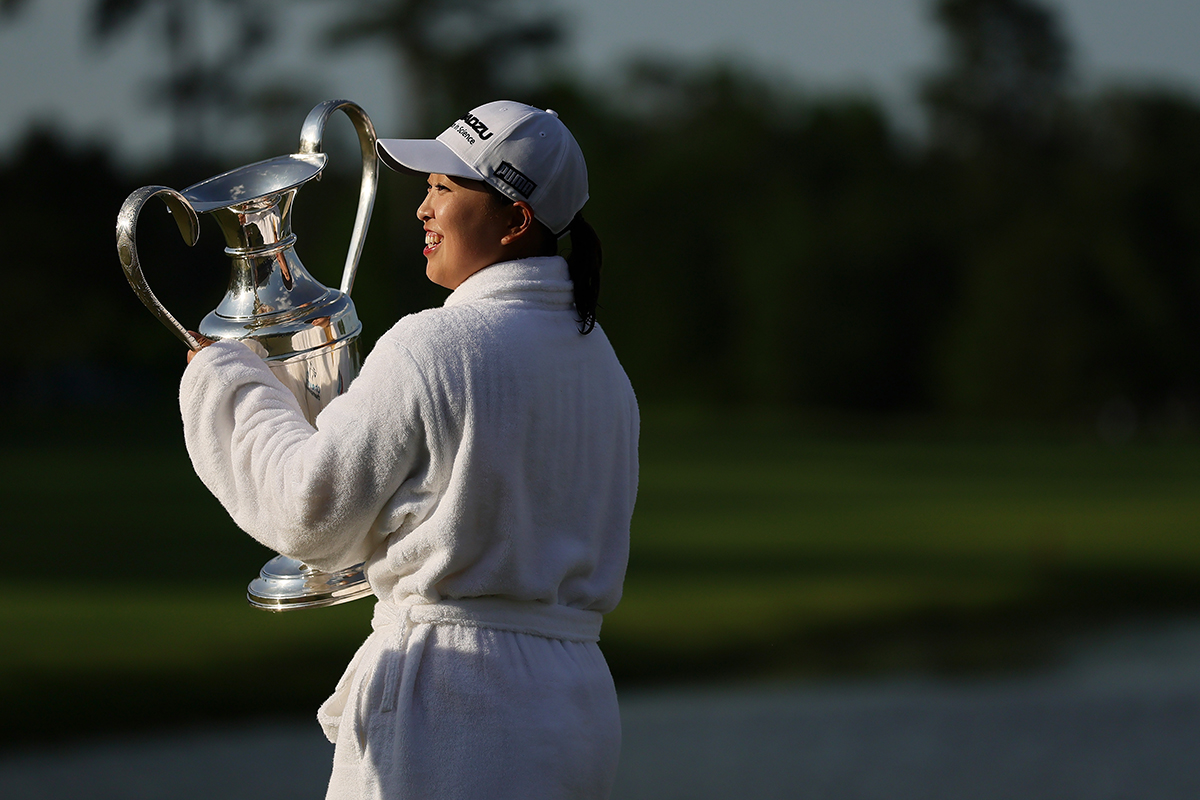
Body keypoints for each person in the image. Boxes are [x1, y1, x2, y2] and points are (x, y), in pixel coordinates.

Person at [179, 101, 639, 799]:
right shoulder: (604, 365)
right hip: (576, 710)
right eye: (426, 187)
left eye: (446, 190)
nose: (423, 209)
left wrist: (226, 377)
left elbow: (306, 509)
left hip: (455, 706)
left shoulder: (433, 345)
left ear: (516, 220)